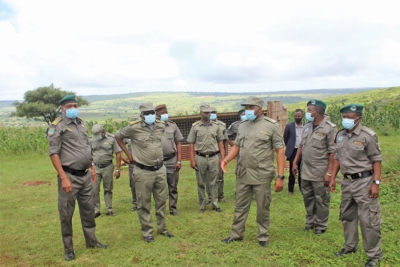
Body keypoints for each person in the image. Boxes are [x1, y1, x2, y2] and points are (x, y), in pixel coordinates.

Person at [47, 95, 107, 261]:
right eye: (70, 106)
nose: (73, 108)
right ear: (63, 108)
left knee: (88, 210)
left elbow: (87, 147)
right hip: (69, 176)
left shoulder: (81, 124)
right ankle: (69, 249)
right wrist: (63, 177)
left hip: (86, 174)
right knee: (66, 213)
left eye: (75, 105)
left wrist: (92, 167)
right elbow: (53, 153)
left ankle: (92, 241)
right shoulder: (57, 126)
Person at [221, 96, 285, 247]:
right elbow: (237, 146)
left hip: (262, 173)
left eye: (250, 107)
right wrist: (226, 159)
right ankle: (236, 234)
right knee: (240, 205)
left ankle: (263, 236)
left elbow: (280, 152)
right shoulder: (243, 125)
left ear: (258, 108)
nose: (247, 110)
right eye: (246, 107)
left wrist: (281, 176)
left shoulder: (272, 125)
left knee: (263, 206)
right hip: (243, 172)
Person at [329, 104, 383, 267]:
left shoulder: (367, 135)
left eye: (350, 117)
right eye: (344, 116)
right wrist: (332, 177)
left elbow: (376, 160)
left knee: (368, 220)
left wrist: (376, 183)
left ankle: (374, 255)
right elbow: (337, 157)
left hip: (364, 182)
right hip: (347, 182)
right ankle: (350, 246)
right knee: (347, 216)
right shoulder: (340, 135)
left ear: (358, 118)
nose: (346, 120)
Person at [114, 102, 173, 242]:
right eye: (147, 113)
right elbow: (117, 136)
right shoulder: (134, 128)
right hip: (143, 171)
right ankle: (147, 232)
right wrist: (128, 154)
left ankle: (162, 228)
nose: (150, 115)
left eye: (152, 112)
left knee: (161, 201)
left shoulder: (160, 125)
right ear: (141, 116)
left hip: (160, 169)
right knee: (144, 202)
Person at [292, 99, 337, 235]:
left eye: (309, 110)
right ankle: (310, 221)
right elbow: (301, 145)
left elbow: (333, 151)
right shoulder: (307, 127)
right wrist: (295, 162)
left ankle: (321, 224)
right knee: (308, 196)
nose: (307, 112)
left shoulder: (330, 128)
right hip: (305, 169)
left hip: (320, 170)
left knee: (321, 198)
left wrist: (329, 173)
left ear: (317, 112)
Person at [187, 104, 225, 213]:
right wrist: (192, 159)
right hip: (200, 157)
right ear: (200, 113)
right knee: (201, 182)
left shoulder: (216, 126)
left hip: (214, 157)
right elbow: (191, 143)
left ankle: (215, 204)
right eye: (205, 112)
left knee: (214, 182)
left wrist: (222, 158)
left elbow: (220, 142)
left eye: (208, 112)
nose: (207, 114)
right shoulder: (195, 127)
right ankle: (202, 205)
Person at [155, 104, 184, 216]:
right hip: (158, 161)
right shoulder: (153, 126)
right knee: (159, 187)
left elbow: (179, 142)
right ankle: (161, 209)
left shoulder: (172, 125)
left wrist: (179, 160)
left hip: (172, 159)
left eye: (166, 112)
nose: (165, 114)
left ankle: (173, 208)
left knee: (173, 185)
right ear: (157, 114)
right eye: (162, 113)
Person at [90, 124, 122, 217]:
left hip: (108, 166)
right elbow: (89, 153)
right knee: (94, 189)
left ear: (103, 132)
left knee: (108, 188)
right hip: (95, 167)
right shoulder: (91, 139)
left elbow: (118, 153)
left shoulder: (112, 139)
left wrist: (118, 169)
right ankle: (96, 210)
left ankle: (109, 209)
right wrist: (91, 166)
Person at [283, 109, 304, 196]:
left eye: (299, 116)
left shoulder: (306, 126)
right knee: (292, 171)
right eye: (296, 116)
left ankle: (302, 189)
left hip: (303, 151)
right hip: (293, 151)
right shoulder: (289, 126)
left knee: (302, 171)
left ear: (302, 116)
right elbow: (285, 138)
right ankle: (290, 190)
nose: (297, 117)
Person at [210, 106, 228, 203]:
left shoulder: (222, 125)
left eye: (214, 112)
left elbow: (225, 141)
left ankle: (220, 196)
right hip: (210, 154)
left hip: (220, 153)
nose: (212, 114)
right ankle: (210, 197)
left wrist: (225, 155)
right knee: (210, 177)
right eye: (210, 112)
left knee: (220, 177)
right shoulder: (206, 125)